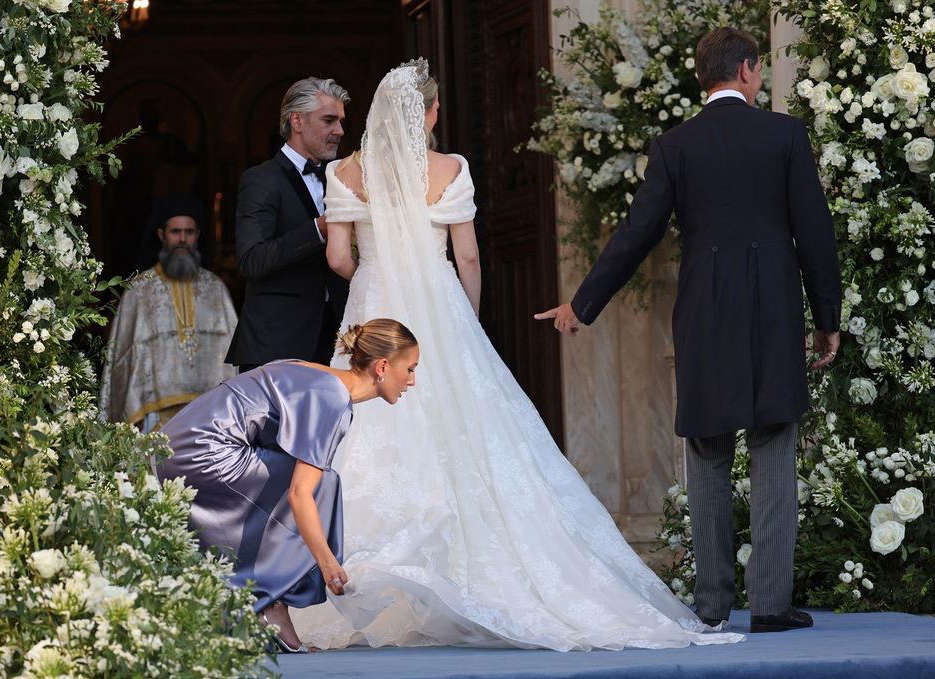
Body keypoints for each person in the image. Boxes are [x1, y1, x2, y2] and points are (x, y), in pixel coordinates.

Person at [289, 59, 743, 651]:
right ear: (429, 114)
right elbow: (468, 257)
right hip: (439, 312)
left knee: (362, 427)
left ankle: (349, 581)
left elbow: (337, 259)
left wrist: (375, 275)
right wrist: (463, 317)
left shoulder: (345, 172)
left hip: (373, 311)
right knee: (475, 434)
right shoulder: (451, 168)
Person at [536, 27, 841, 633]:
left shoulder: (674, 145)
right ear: (748, 70)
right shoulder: (784, 134)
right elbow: (815, 232)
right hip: (773, 309)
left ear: (702, 76)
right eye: (758, 69)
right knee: (773, 442)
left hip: (705, 309)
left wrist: (582, 304)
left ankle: (711, 604)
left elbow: (636, 233)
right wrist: (827, 320)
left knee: (706, 447)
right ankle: (770, 605)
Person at [158, 319, 419, 653]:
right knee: (321, 485)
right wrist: (328, 563)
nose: (412, 381)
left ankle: (263, 601)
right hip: (202, 452)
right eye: (410, 369)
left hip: (174, 445)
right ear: (382, 367)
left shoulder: (317, 376)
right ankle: (265, 603)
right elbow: (299, 494)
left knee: (305, 483)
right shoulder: (332, 398)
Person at [226, 77, 351, 372]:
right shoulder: (261, 179)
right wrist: (318, 229)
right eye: (329, 120)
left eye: (341, 121)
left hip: (338, 341)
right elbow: (251, 260)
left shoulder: (341, 178)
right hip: (278, 341)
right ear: (297, 121)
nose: (340, 131)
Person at [100, 194, 238, 433]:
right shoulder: (139, 291)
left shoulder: (215, 288)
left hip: (210, 416)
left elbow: (233, 357)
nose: (182, 239)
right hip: (155, 418)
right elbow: (122, 359)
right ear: (161, 235)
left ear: (197, 235)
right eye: (175, 232)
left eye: (189, 232)